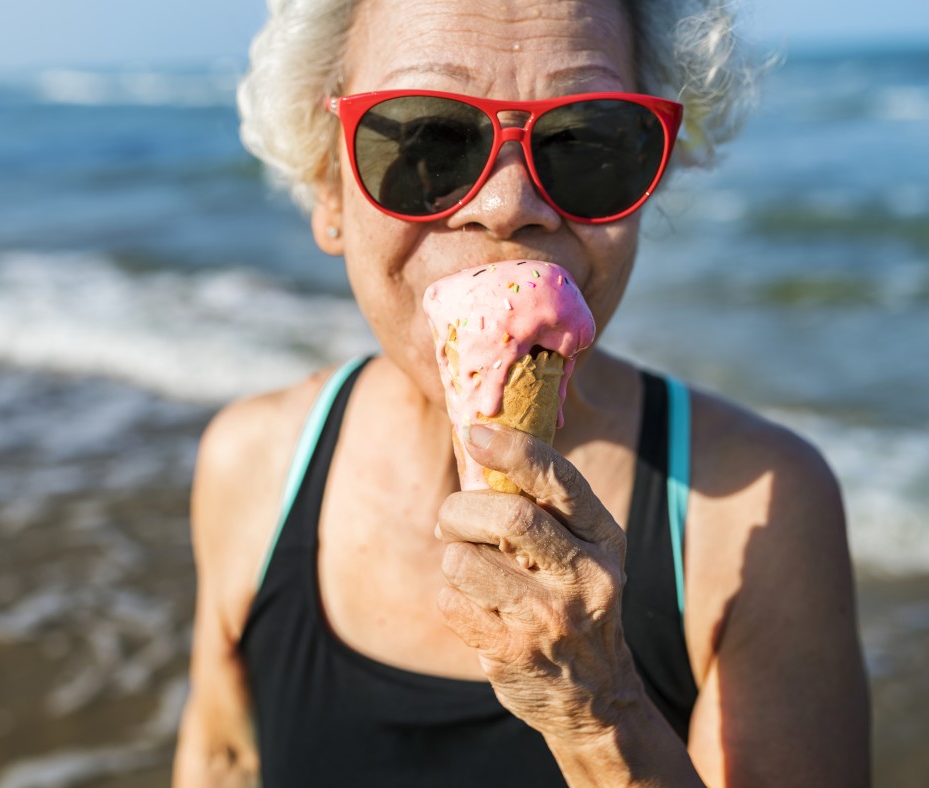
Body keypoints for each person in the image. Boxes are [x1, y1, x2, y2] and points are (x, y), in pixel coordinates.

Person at [174, 0, 871, 785]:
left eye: (587, 141)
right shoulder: (254, 465)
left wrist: (600, 715)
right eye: (429, 139)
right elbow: (223, 755)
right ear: (328, 184)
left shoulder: (760, 510)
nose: (509, 205)